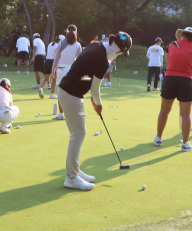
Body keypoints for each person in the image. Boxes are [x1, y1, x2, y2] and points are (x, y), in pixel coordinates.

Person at [58, 32, 132, 190]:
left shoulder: (96, 45)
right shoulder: (103, 60)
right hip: (70, 94)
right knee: (78, 133)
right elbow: (95, 88)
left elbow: (87, 73)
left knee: (78, 133)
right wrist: (98, 104)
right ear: (118, 52)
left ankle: (75, 171)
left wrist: (94, 98)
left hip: (69, 91)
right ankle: (71, 178)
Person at [154, 27, 192, 152]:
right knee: (185, 114)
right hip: (186, 80)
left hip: (169, 79)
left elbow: (169, 64)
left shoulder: (172, 44)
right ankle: (185, 143)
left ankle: (158, 138)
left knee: (164, 111)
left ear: (183, 35)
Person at [52, 25, 82, 120]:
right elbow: (79, 60)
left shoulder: (61, 43)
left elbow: (56, 58)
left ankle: (61, 113)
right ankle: (72, 113)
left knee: (61, 93)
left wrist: (53, 69)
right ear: (76, 33)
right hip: (72, 70)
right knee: (72, 93)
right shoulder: (78, 45)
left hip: (61, 69)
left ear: (66, 32)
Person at [38, 35, 64, 99]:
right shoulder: (59, 45)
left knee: (46, 79)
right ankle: (52, 94)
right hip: (53, 62)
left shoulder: (50, 44)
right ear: (60, 40)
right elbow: (58, 57)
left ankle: (40, 88)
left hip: (46, 61)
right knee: (54, 80)